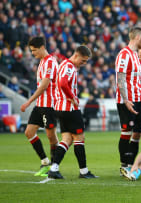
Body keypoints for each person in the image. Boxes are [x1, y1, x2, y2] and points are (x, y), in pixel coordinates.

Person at [48, 45, 97, 179]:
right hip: (69, 108)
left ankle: (54, 168)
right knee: (80, 138)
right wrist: (72, 97)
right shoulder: (69, 66)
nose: (84, 63)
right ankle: (84, 171)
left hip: (60, 108)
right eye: (83, 60)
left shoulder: (65, 65)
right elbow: (63, 83)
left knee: (67, 139)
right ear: (76, 55)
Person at [115, 27, 141, 170]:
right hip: (128, 101)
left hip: (140, 100)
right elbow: (120, 77)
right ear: (138, 38)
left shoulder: (135, 55)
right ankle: (124, 165)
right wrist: (126, 100)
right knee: (127, 132)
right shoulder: (124, 54)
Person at [20, 36, 59, 177]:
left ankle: (55, 167)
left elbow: (44, 86)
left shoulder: (50, 62)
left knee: (51, 137)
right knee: (29, 132)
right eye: (31, 50)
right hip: (41, 104)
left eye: (34, 50)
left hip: (50, 105)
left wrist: (28, 101)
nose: (32, 53)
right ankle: (45, 162)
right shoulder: (42, 62)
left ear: (42, 47)